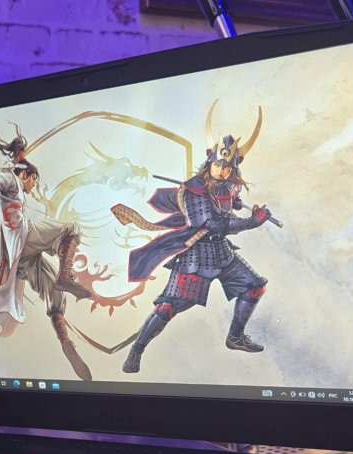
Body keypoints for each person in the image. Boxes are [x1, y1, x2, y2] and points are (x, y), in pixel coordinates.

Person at [115, 105, 273, 374]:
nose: (220, 171)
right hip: (195, 258)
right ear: (209, 162)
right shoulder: (193, 190)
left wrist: (235, 203)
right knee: (167, 309)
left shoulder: (229, 186)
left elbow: (227, 206)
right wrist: (251, 221)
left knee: (254, 287)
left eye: (226, 167)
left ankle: (235, 337)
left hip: (222, 254)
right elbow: (213, 224)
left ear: (232, 169)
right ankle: (136, 351)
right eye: (217, 165)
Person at [0, 132, 92, 380]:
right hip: (25, 237)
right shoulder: (11, 181)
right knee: (72, 228)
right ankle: (66, 274)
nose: (33, 186)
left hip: (19, 260)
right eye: (34, 180)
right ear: (25, 175)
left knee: (55, 293)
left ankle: (65, 341)